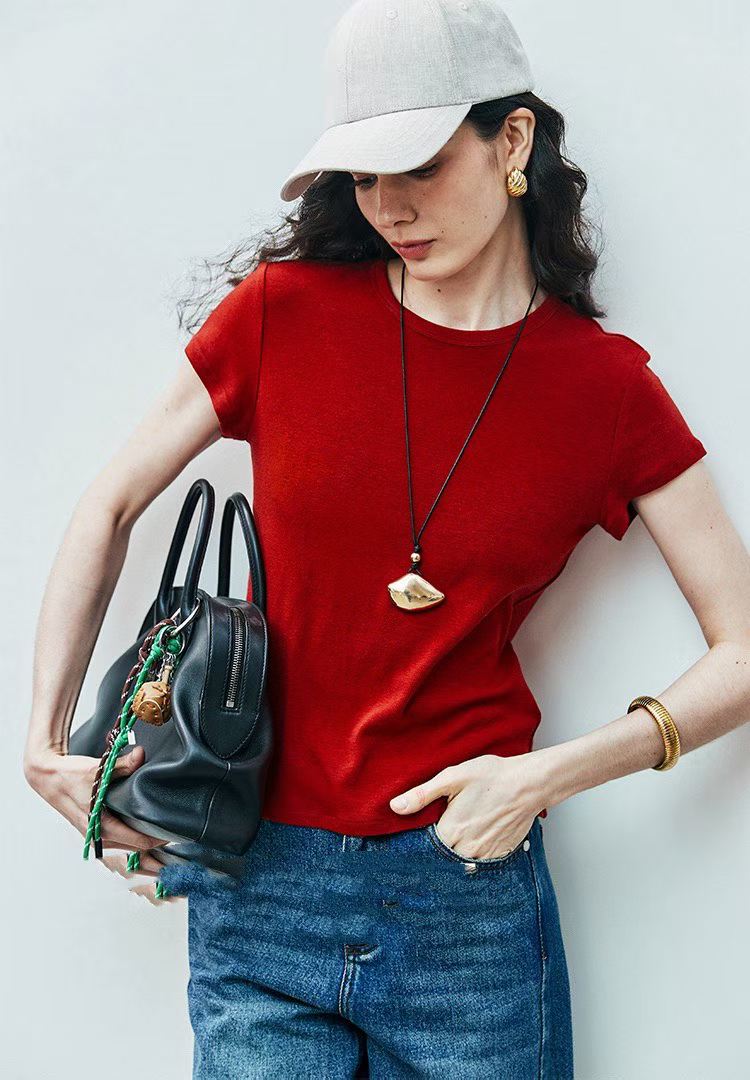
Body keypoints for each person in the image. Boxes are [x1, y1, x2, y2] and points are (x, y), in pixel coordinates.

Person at [22, 1, 750, 1077]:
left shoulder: (605, 389)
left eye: (418, 165)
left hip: (465, 895)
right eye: (363, 177)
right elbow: (110, 502)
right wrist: (47, 745)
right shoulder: (281, 314)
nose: (389, 206)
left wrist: (544, 778)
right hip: (256, 885)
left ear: (512, 140)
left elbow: (743, 648)